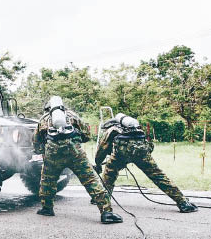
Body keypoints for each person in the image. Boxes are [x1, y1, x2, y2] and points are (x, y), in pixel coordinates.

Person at [34, 96, 123, 224]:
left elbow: (36, 143)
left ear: (48, 108)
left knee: (47, 180)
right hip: (75, 153)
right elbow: (86, 134)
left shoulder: (44, 119)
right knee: (91, 179)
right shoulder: (72, 116)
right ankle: (106, 212)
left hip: (53, 154)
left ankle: (47, 208)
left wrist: (44, 151)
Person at [94, 113, 198, 213]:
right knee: (158, 176)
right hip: (141, 152)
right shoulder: (135, 127)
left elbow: (102, 148)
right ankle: (183, 202)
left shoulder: (111, 129)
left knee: (109, 174)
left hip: (121, 154)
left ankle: (102, 199)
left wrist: (98, 163)